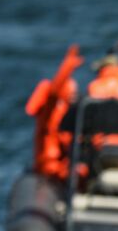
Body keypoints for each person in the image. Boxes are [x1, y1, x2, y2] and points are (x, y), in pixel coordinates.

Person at [25, 44, 83, 180]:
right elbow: (54, 92)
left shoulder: (66, 113)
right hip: (49, 166)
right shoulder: (49, 112)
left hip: (60, 166)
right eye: (72, 92)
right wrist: (68, 65)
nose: (74, 96)